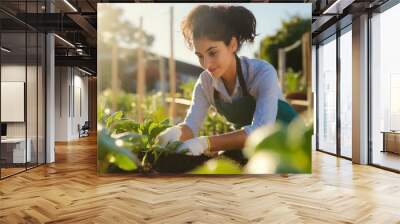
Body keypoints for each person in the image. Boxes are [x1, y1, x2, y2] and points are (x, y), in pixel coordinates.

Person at [156, 5, 298, 163]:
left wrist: (206, 143)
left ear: (233, 45)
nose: (206, 63)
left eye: (212, 52)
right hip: (254, 147)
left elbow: (261, 130)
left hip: (292, 143)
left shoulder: (261, 73)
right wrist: (175, 133)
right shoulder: (205, 83)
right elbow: (191, 126)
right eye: (200, 56)